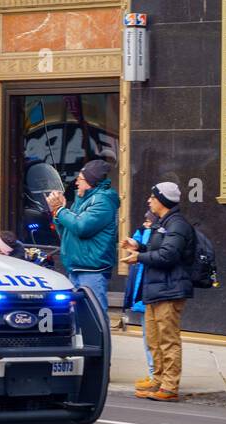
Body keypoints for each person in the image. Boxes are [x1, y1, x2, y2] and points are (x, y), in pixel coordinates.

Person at [120, 182, 193, 402]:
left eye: (152, 197)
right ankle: (158, 379)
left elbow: (168, 256)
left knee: (168, 339)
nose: (149, 200)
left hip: (169, 290)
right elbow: (158, 250)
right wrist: (138, 247)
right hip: (156, 289)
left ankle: (169, 386)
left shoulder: (177, 225)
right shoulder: (163, 223)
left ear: (162, 200)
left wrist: (139, 257)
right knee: (154, 338)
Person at [46, 159, 119, 315]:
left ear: (90, 182)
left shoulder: (103, 201)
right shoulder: (82, 200)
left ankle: (97, 341)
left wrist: (60, 210)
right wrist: (57, 213)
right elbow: (66, 231)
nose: (76, 183)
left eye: (80, 179)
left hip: (92, 270)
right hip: (76, 268)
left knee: (93, 316)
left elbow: (81, 227)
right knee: (78, 318)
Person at [123, 210, 158, 385]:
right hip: (145, 290)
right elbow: (140, 246)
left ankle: (156, 375)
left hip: (154, 291)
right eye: (145, 220)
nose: (145, 223)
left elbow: (156, 255)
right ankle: (154, 373)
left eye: (149, 221)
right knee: (149, 335)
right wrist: (133, 244)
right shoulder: (145, 232)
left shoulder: (162, 233)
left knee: (155, 336)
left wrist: (138, 250)